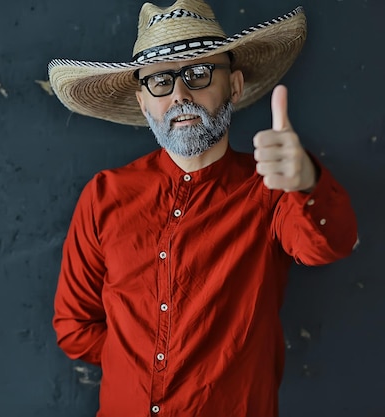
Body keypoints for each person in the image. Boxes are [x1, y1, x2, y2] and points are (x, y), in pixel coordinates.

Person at [47, 0, 358, 416]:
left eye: (197, 73)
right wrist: (136, 363)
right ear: (143, 102)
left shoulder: (270, 191)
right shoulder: (105, 195)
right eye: (161, 81)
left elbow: (328, 245)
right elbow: (74, 327)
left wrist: (306, 183)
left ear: (233, 85)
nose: (179, 95)